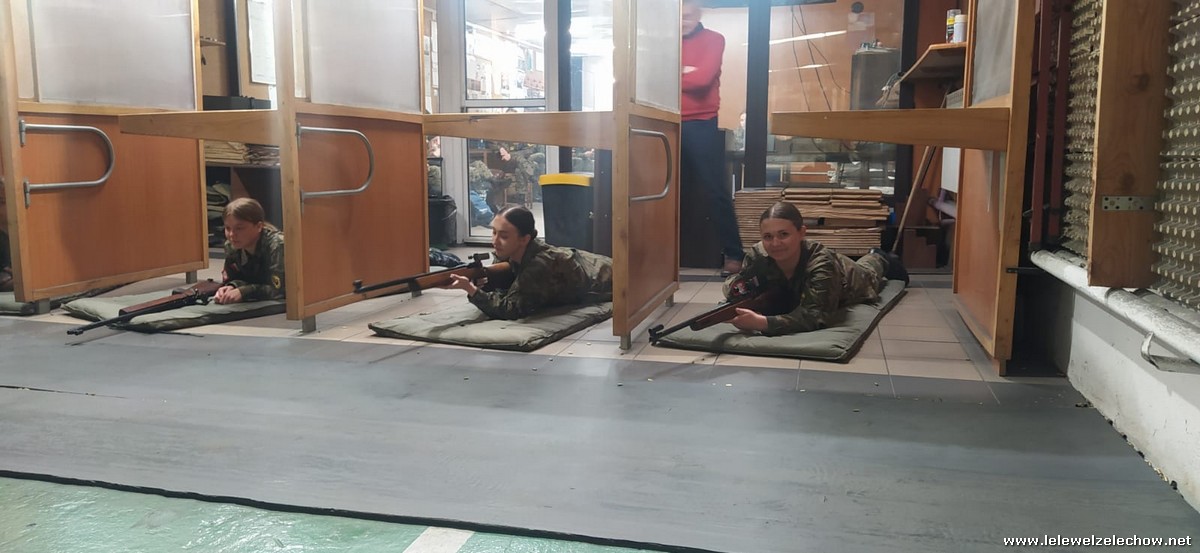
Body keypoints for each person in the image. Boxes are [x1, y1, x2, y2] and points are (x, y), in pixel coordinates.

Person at [724, 201, 907, 336]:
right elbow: (737, 282)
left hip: (849, 277)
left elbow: (815, 316)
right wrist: (736, 289)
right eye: (767, 236)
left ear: (801, 233)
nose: (775, 243)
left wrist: (762, 323)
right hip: (802, 287)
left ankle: (879, 256)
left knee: (869, 272)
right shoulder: (757, 256)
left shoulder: (821, 264)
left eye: (784, 234)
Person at [442, 205, 613, 320]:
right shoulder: (507, 254)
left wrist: (471, 290)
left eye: (504, 236)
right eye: (494, 232)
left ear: (524, 239)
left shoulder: (540, 265)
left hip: (609, 276)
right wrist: (484, 284)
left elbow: (510, 309)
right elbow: (505, 286)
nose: (495, 241)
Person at [681, 0, 744, 276]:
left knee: (715, 191)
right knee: (661, 193)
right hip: (662, 122)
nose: (683, 21)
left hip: (700, 123)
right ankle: (657, 258)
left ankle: (734, 254)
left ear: (699, 14)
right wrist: (685, 72)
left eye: (688, 15)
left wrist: (676, 74)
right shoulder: (662, 43)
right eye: (679, 16)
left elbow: (702, 80)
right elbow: (649, 78)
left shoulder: (714, 39)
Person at [216, 198, 285, 304]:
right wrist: (231, 286)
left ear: (259, 226)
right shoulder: (231, 246)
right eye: (228, 228)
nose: (232, 235)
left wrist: (245, 292)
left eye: (239, 228)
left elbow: (280, 289)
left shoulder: (277, 245)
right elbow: (233, 278)